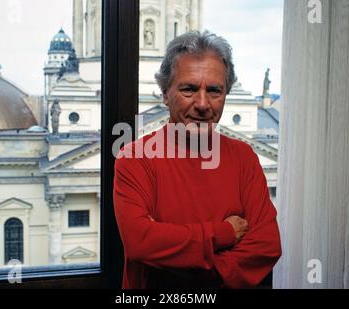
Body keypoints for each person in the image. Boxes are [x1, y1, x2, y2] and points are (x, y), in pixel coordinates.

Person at [113, 30, 281, 289]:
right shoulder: (134, 158)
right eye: (189, 89)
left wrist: (183, 270)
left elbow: (267, 244)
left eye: (214, 90)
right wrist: (223, 234)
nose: (203, 104)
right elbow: (140, 242)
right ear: (165, 93)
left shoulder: (243, 157)